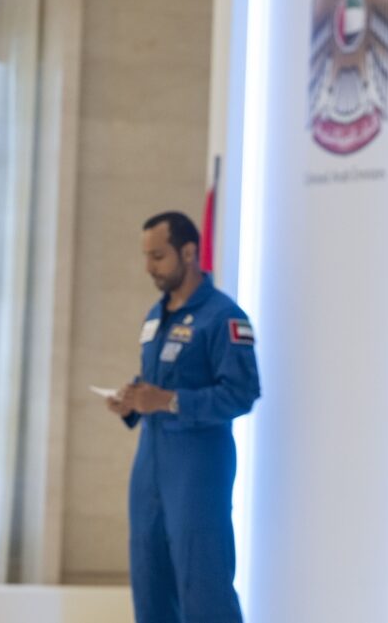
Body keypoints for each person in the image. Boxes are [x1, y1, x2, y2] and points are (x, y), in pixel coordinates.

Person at [105, 211, 260, 623]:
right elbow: (155, 384)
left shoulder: (224, 317)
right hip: (150, 465)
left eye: (158, 256)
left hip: (198, 468)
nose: (148, 267)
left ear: (189, 252)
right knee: (149, 582)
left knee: (203, 585)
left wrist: (169, 401)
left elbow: (242, 394)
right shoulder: (155, 316)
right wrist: (132, 399)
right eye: (146, 256)